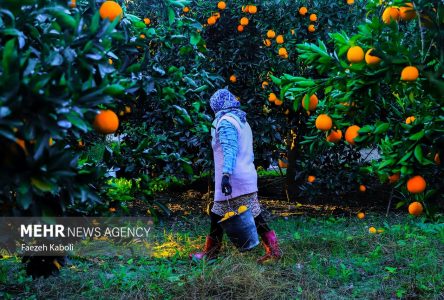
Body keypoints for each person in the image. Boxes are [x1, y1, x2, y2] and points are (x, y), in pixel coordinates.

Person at [189, 89, 282, 263]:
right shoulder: (242, 121)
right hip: (246, 175)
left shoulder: (225, 122)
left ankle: (211, 254)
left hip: (233, 179)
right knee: (221, 214)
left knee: (245, 215)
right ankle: (212, 253)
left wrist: (225, 176)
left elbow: (229, 150)